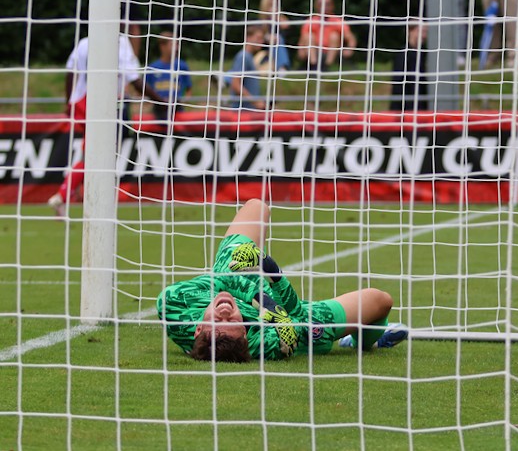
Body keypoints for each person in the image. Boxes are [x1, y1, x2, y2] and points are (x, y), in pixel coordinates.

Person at [156, 199, 407, 362]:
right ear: (245, 333)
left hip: (240, 279)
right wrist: (272, 271)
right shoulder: (263, 343)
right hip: (292, 317)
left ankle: (244, 267)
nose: (223, 311)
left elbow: (216, 280)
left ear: (198, 327)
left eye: (216, 318)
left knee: (256, 206)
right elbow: (294, 313)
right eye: (230, 320)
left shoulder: (175, 309)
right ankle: (357, 340)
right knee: (381, 300)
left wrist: (256, 296)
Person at [47, 26, 165, 217]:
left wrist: (69, 103)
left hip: (81, 102)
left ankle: (77, 194)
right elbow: (134, 80)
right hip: (102, 104)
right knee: (100, 154)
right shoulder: (120, 44)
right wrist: (162, 101)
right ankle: (67, 195)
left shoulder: (85, 42)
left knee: (95, 152)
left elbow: (71, 72)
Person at [297, 0, 357, 70]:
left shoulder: (338, 21)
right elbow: (302, 41)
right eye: (320, 4)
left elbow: (351, 38)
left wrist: (349, 50)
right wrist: (301, 51)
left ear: (332, 5)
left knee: (334, 36)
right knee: (309, 36)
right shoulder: (310, 21)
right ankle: (314, 65)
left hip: (332, 52)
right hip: (314, 52)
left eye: (327, 4)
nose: (324, 7)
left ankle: (326, 67)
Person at [145, 30, 192, 120]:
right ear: (162, 46)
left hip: (177, 110)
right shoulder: (152, 67)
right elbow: (144, 90)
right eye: (173, 45)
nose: (177, 48)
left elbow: (189, 89)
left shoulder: (182, 66)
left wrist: (183, 101)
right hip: (158, 111)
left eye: (177, 44)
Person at [389, 20, 429, 111]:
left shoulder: (423, 54)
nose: (424, 36)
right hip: (405, 109)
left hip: (420, 107)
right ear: (410, 31)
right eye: (421, 31)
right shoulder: (403, 55)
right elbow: (398, 86)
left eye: (425, 32)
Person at [227, 25, 268, 110]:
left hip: (248, 111)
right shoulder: (243, 56)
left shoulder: (249, 57)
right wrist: (256, 102)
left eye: (262, 39)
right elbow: (236, 84)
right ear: (248, 37)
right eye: (258, 38)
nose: (261, 41)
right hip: (242, 112)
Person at [254, 0, 292, 74]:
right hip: (264, 54)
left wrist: (276, 16)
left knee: (278, 39)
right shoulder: (261, 22)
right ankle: (282, 67)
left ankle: (282, 67)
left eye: (276, 5)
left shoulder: (279, 19)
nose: (274, 8)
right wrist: (267, 37)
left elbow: (286, 25)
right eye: (270, 5)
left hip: (277, 51)